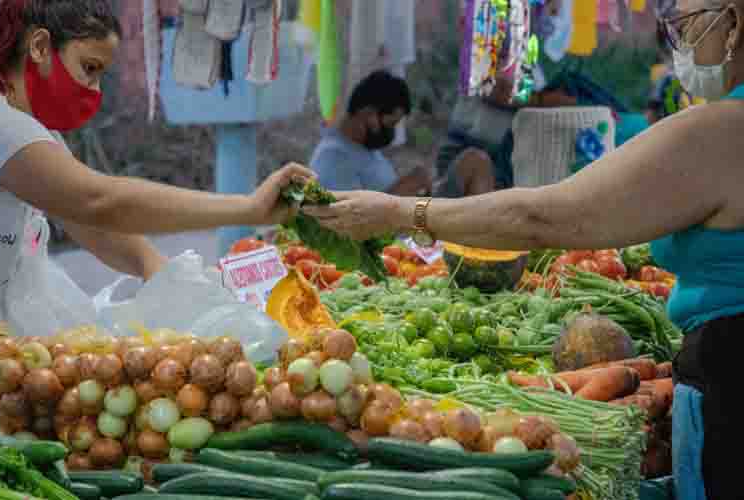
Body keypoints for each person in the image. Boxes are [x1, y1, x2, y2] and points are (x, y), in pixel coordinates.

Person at [307, 0, 744, 497]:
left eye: (685, 25)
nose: (678, 44)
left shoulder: (722, 130)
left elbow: (544, 217)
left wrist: (401, 213)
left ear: (732, 23)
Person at [0, 0, 311, 348]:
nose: (95, 91)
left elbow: (89, 223)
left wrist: (159, 270)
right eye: (89, 68)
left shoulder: (29, 132)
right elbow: (98, 202)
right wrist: (247, 208)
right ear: (41, 46)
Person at [435, 71, 577, 198]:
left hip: (499, 171)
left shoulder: (533, 69)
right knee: (477, 162)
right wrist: (541, 100)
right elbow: (493, 88)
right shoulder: (486, 50)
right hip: (460, 159)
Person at [309, 70, 433, 196]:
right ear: (368, 113)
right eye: (390, 124)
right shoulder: (333, 158)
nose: (391, 132)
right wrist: (407, 186)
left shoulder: (364, 148)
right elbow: (350, 213)